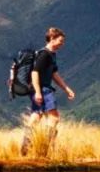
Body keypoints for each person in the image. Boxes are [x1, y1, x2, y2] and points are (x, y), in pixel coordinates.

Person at [21, 26, 75, 155]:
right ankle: (45, 147)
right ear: (52, 38)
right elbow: (35, 73)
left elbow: (54, 74)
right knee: (54, 118)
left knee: (36, 115)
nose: (62, 44)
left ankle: (26, 146)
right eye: (60, 41)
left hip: (38, 89)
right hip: (43, 89)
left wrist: (66, 89)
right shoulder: (44, 54)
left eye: (63, 42)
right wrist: (39, 92)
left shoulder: (51, 55)